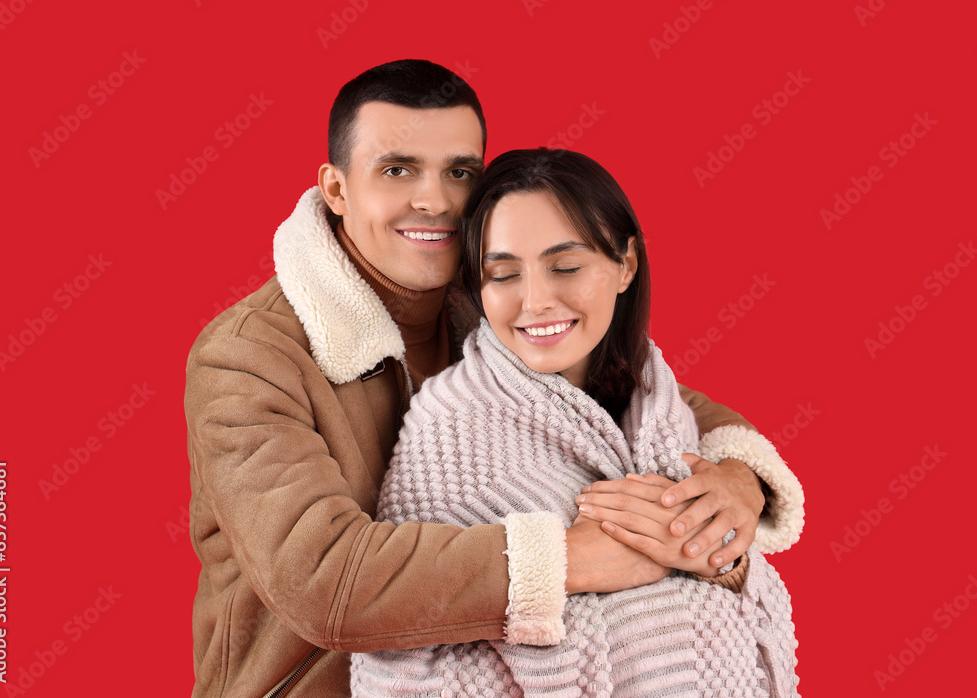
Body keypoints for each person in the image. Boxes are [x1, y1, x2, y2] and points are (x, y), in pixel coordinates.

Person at [184, 60, 804, 697]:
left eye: (460, 172)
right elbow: (321, 580)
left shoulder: (498, 298)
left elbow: (637, 392)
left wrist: (738, 478)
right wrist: (569, 559)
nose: (437, 200)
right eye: (397, 170)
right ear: (337, 190)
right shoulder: (247, 358)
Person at [351, 148, 800, 697]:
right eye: (503, 274)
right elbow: (401, 663)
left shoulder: (657, 405)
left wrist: (723, 545)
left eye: (565, 267)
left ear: (625, 266)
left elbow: (728, 578)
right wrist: (575, 580)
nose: (535, 301)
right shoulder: (449, 436)